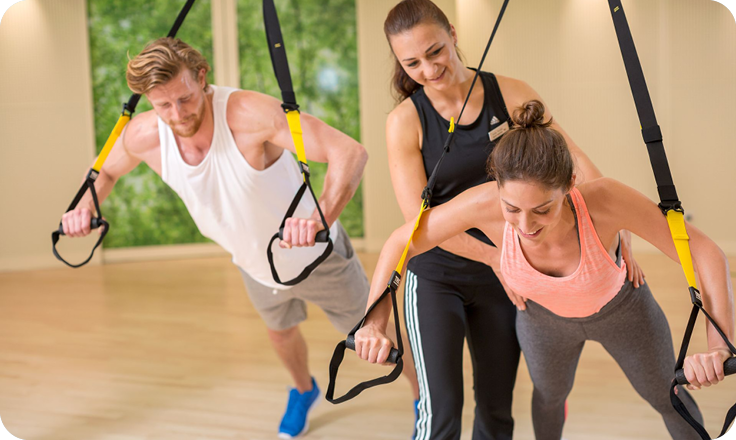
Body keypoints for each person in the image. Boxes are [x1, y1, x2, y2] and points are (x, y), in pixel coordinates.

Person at [60, 37, 418, 439]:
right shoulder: (145, 135)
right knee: (280, 334)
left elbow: (349, 153)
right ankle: (304, 391)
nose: (177, 114)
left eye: (185, 98)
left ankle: (425, 399)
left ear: (202, 77)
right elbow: (105, 172)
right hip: (254, 263)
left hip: (316, 258)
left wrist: (320, 216)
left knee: (378, 338)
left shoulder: (248, 115)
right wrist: (84, 208)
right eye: (163, 105)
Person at [356, 99, 734, 439]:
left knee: (667, 396)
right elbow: (401, 242)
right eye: (512, 208)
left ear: (570, 184)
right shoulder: (484, 205)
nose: (525, 225)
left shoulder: (605, 200)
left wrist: (719, 346)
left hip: (622, 312)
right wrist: (374, 321)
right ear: (498, 188)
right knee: (549, 398)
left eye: (542, 209)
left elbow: (705, 252)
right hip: (543, 322)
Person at [381, 1, 642, 438]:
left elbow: (572, 158)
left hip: (508, 276)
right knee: (441, 411)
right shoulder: (405, 121)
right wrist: (493, 257)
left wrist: (616, 228)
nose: (428, 69)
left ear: (452, 34)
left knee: (497, 410)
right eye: (412, 63)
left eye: (435, 51)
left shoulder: (511, 94)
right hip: (437, 274)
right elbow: (417, 222)